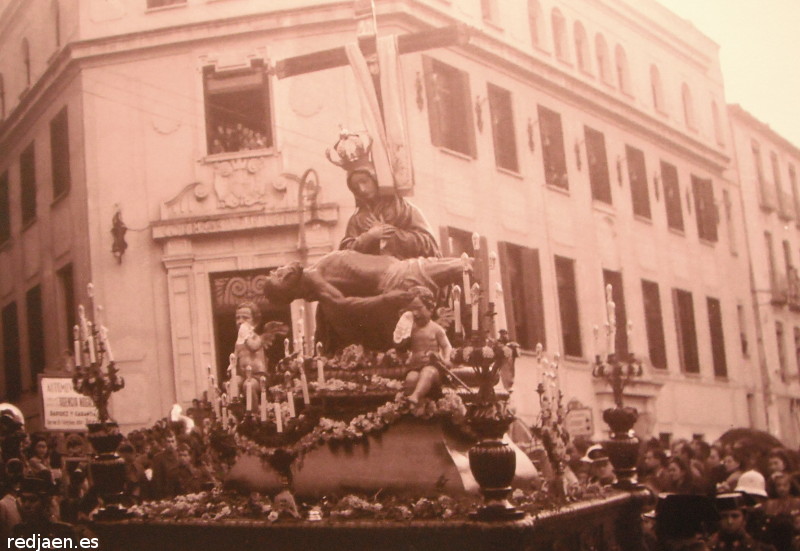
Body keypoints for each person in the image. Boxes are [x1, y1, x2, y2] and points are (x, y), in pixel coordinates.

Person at [264, 250, 469, 351]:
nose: (279, 270)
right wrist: (385, 299)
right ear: (286, 287)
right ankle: (472, 337)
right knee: (464, 267)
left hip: (399, 268)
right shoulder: (315, 279)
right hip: (399, 277)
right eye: (277, 276)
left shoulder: (315, 274)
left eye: (275, 271)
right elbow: (344, 304)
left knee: (464, 267)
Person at [329, 131, 440, 260]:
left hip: (406, 272)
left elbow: (430, 246)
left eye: (364, 181)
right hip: (371, 277)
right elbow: (344, 257)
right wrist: (369, 237)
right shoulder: (357, 221)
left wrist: (391, 234)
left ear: (376, 179)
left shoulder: (406, 211)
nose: (362, 189)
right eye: (356, 186)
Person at [396, 286, 452, 404]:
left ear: (430, 308)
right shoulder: (410, 329)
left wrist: (446, 359)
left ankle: (416, 396)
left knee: (428, 372)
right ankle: (413, 407)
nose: (415, 313)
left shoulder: (436, 329)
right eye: (411, 310)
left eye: (418, 308)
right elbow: (402, 347)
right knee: (411, 378)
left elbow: (446, 346)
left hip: (433, 367)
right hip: (415, 366)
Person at [707, 493, 776, 551]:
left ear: (744, 518)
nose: (729, 521)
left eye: (735, 516)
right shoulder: (708, 547)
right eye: (724, 516)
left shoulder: (759, 547)